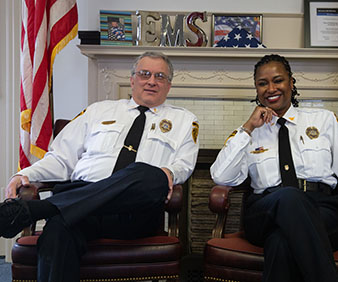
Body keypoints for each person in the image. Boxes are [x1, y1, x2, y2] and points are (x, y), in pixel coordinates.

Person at [1, 51, 199, 282]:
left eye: (160, 76)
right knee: (57, 230)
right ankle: (55, 211)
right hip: (82, 210)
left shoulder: (185, 120)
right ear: (132, 78)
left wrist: (169, 172)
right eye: (145, 74)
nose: (152, 81)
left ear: (169, 85)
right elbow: (61, 158)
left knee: (149, 174)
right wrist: (24, 174)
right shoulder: (98, 111)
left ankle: (42, 209)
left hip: (133, 213)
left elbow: (185, 164)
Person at [210, 54, 338, 282]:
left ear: (291, 83)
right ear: (256, 89)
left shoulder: (323, 120)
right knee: (289, 197)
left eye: (278, 80)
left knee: (281, 243)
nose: (271, 88)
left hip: (323, 211)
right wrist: (247, 128)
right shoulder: (249, 133)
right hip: (265, 211)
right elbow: (221, 176)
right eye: (262, 83)